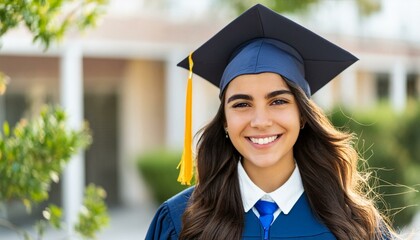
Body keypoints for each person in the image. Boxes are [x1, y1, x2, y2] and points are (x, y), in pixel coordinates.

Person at [146, 4, 396, 240]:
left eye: (278, 102)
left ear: (302, 115)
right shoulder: (180, 221)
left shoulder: (355, 224)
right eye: (242, 104)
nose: (260, 121)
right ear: (224, 121)